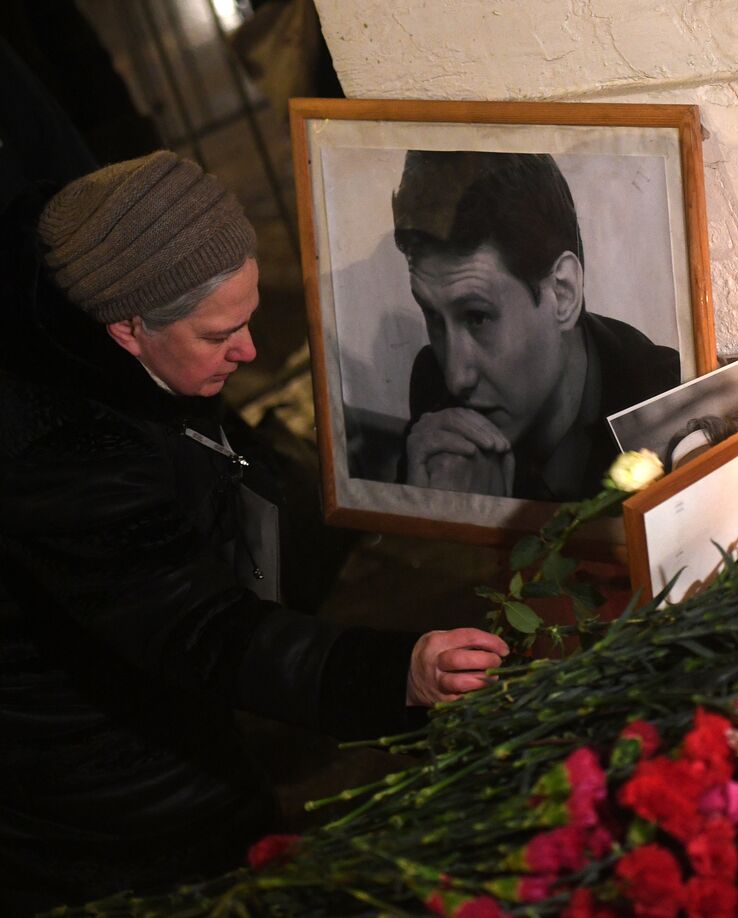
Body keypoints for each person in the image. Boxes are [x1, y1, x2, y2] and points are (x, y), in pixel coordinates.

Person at [0, 151, 510, 910]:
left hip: (173, 728)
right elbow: (204, 628)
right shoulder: (62, 455)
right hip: (105, 798)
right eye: (220, 335)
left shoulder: (119, 362)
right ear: (128, 328)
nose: (250, 351)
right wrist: (392, 672)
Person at [392, 150, 681, 502]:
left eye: (477, 317)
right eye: (434, 318)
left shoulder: (665, 396)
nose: (457, 377)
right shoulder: (432, 385)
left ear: (563, 293)